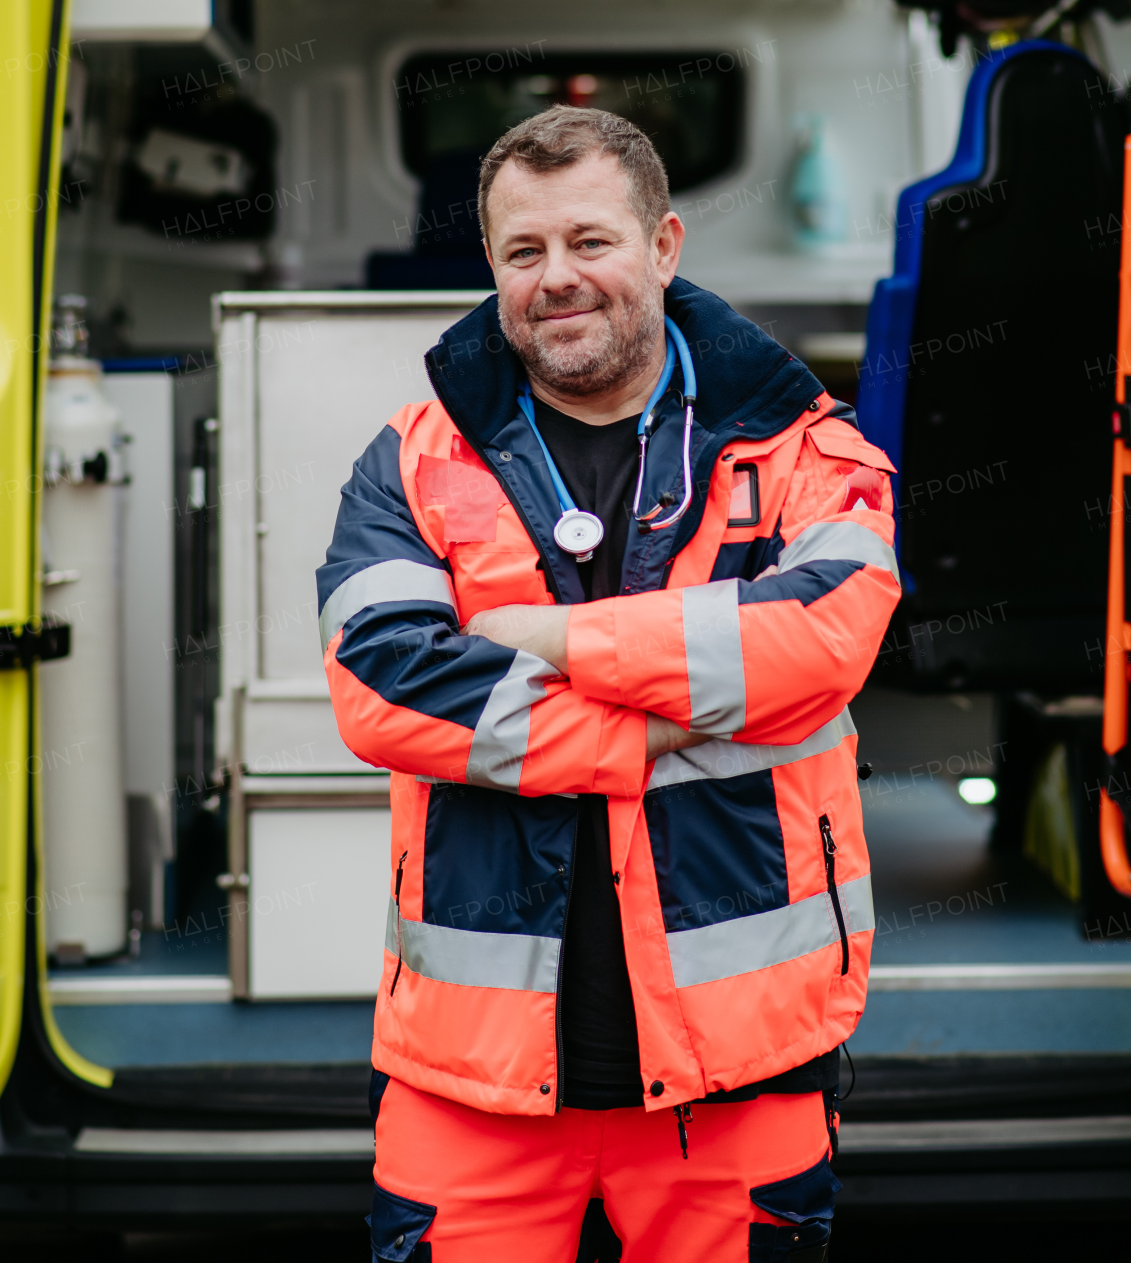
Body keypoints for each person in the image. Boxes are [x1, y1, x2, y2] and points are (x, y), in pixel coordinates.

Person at [320, 106, 899, 1261]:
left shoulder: (803, 447)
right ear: (490, 267)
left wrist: (545, 638)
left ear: (664, 245)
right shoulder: (412, 457)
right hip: (470, 1086)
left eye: (590, 241)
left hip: (737, 1076)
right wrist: (651, 725)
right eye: (522, 252)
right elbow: (380, 681)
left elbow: (821, 642)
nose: (556, 278)